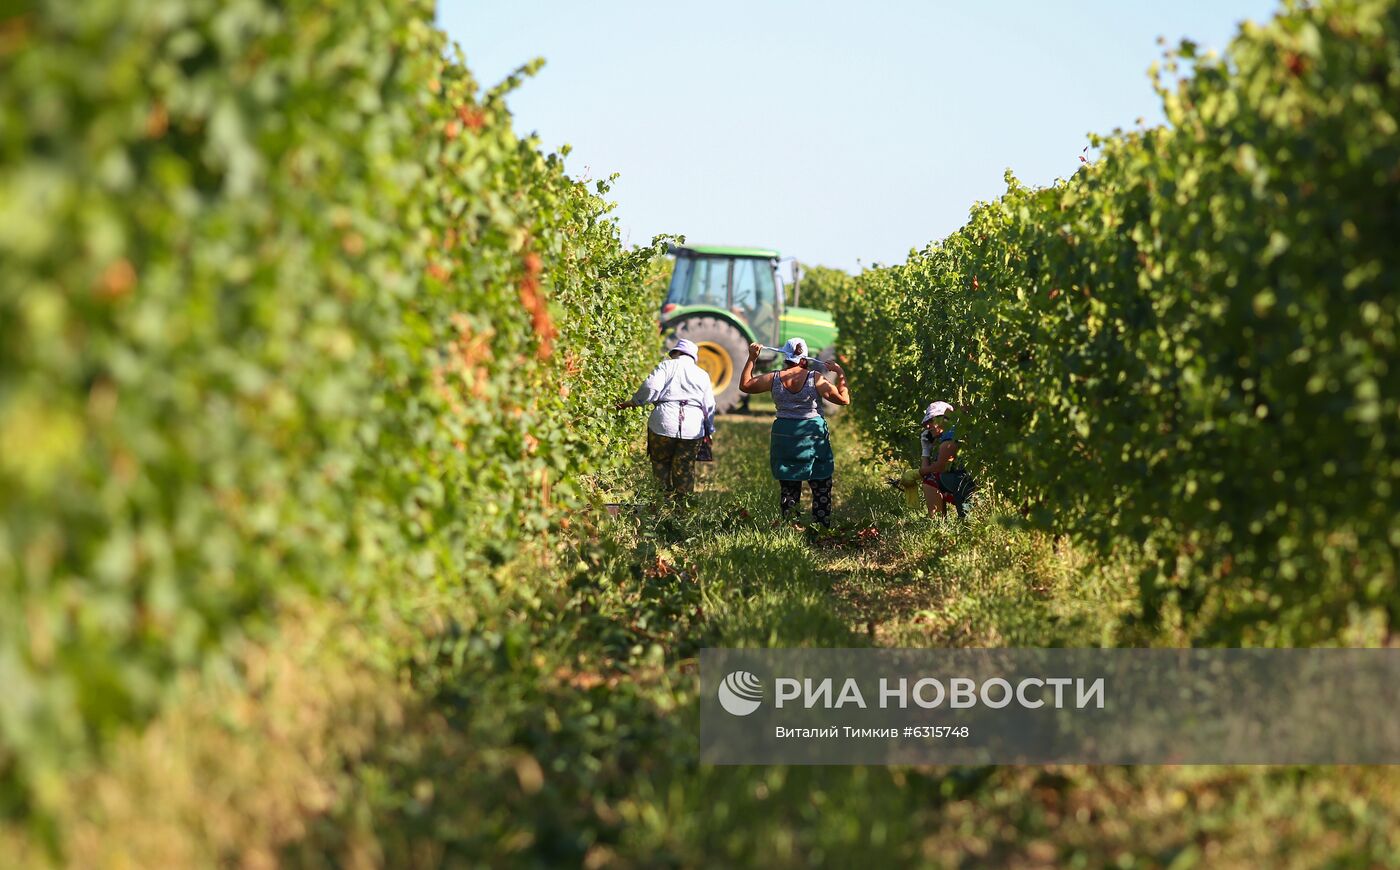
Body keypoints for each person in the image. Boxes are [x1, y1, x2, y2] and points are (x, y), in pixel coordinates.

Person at [738, 337, 850, 525]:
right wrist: (840, 373)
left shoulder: (774, 378)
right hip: (812, 435)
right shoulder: (816, 378)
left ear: (785, 356)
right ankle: (821, 527)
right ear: (805, 358)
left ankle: (791, 526)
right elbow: (843, 399)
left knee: (789, 483)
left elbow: (745, 385)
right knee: (820, 481)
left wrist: (752, 358)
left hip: (785, 436)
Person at [616, 338, 717, 500]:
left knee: (660, 463)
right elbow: (709, 405)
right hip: (692, 427)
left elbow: (651, 387)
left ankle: (660, 504)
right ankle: (682, 510)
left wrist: (635, 402)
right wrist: (709, 430)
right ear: (692, 357)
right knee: (684, 468)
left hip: (662, 423)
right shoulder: (702, 375)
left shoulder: (666, 366)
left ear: (676, 353)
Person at [920, 401, 975, 518]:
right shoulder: (948, 436)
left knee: (931, 478)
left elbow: (938, 467)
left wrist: (916, 473)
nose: (927, 427)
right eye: (926, 423)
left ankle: (936, 522)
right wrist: (926, 449)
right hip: (964, 486)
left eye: (931, 421)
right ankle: (940, 522)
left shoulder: (950, 439)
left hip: (967, 486)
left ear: (944, 419)